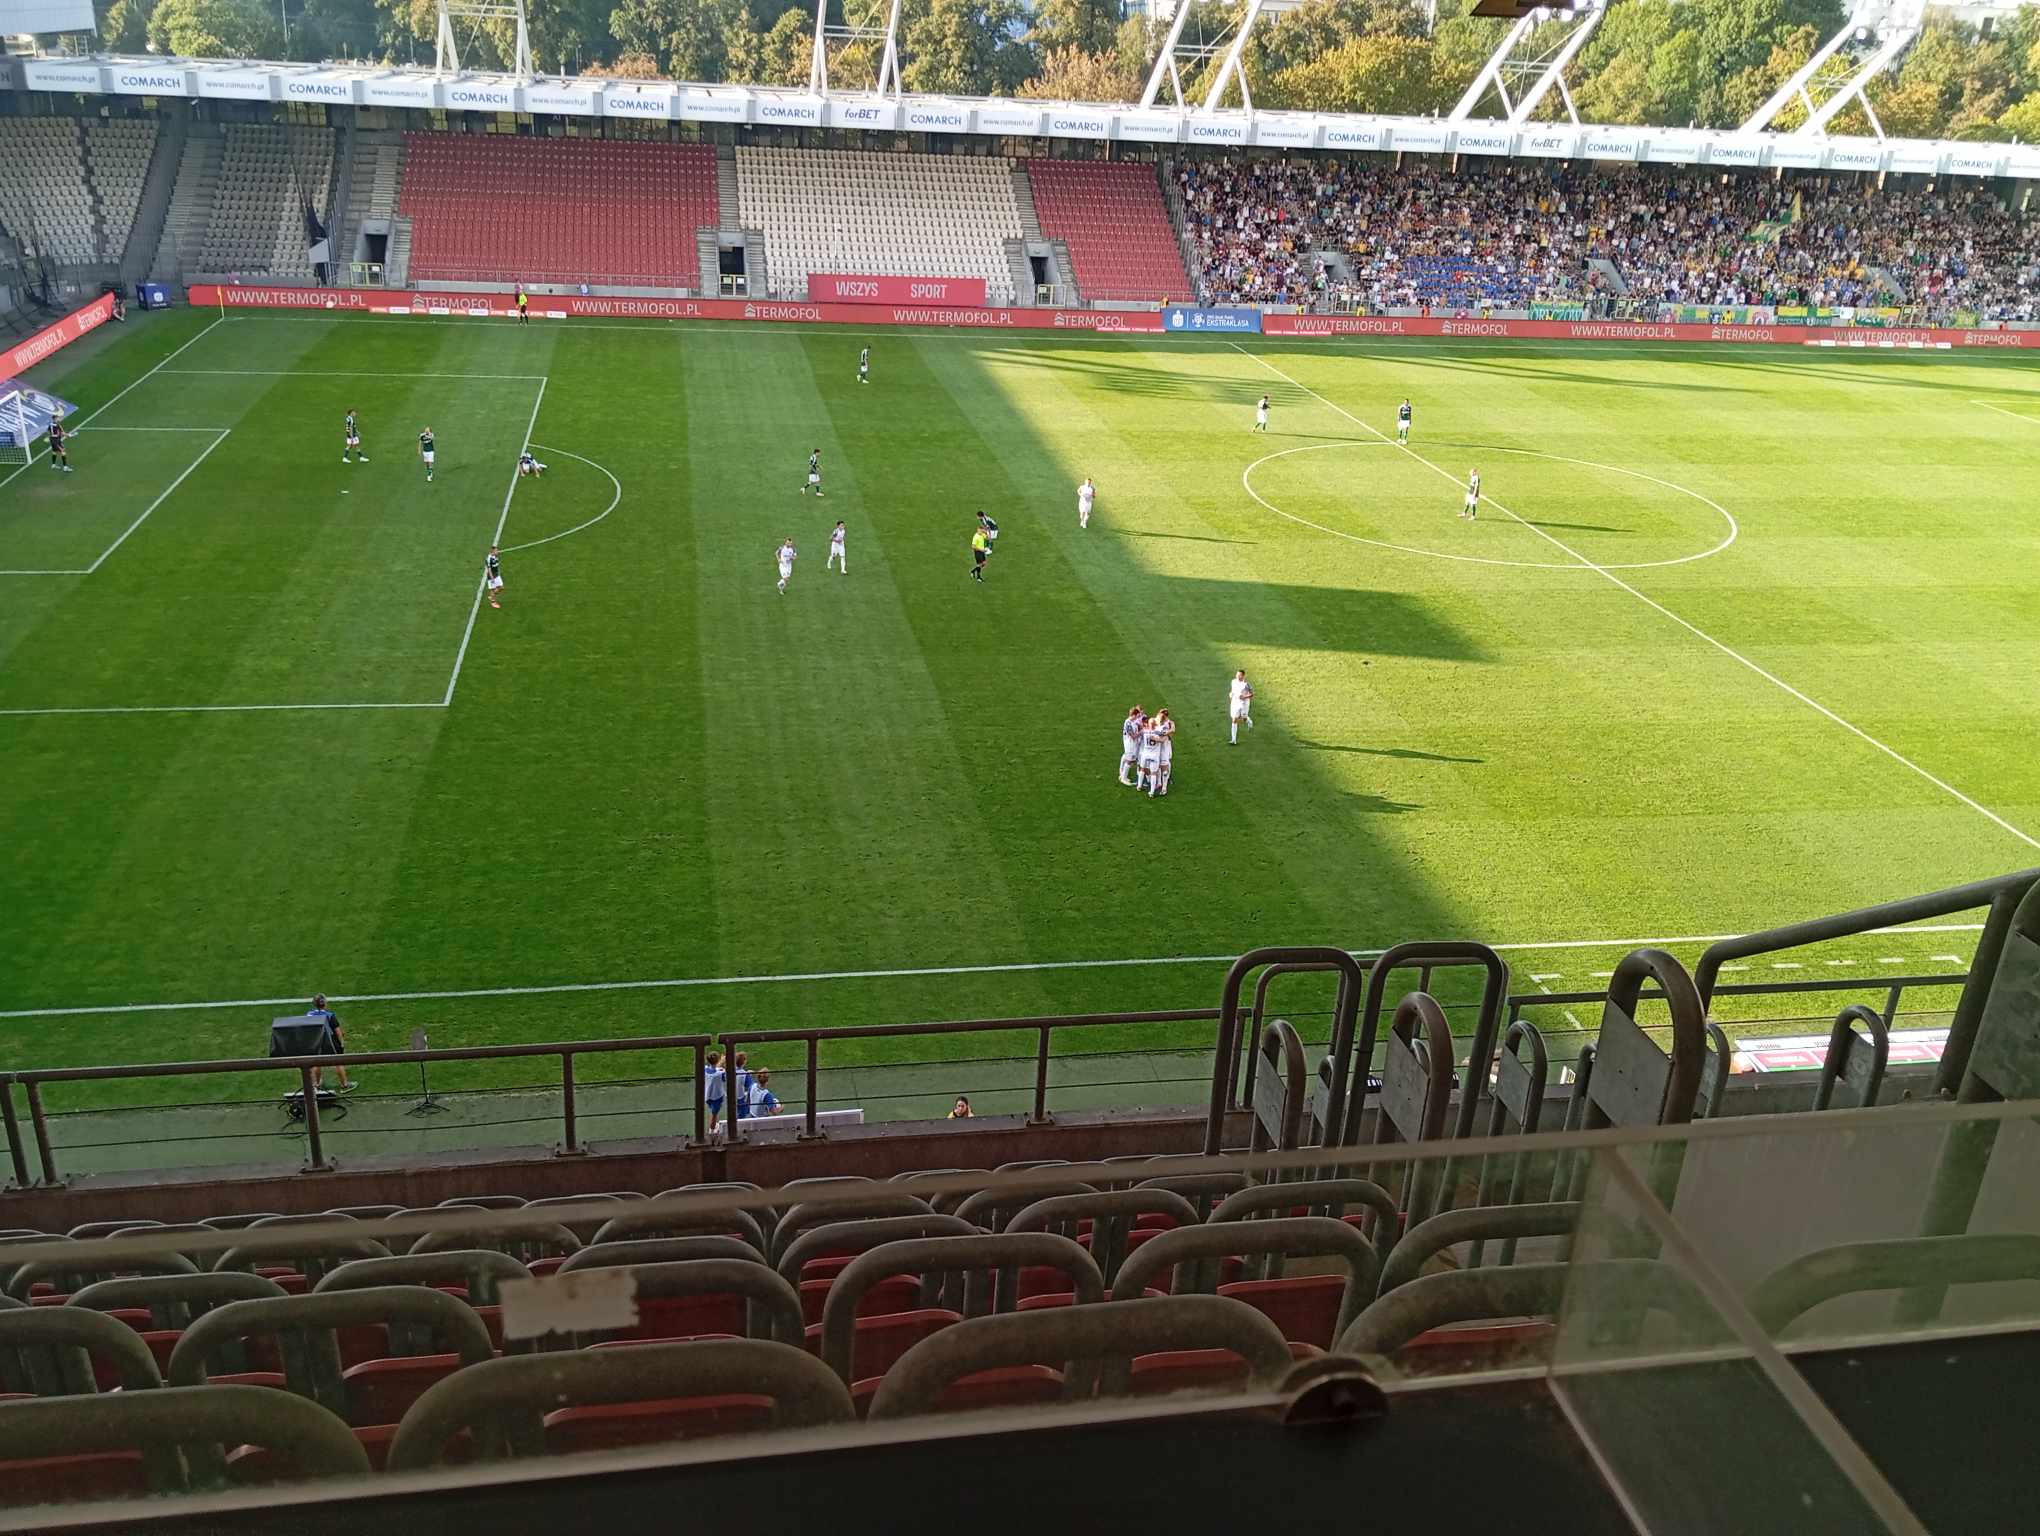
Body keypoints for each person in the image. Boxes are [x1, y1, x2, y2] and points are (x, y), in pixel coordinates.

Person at [306, 993, 354, 1094]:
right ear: (325, 1004)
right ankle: (345, 1085)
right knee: (338, 1062)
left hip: (316, 1042)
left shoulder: (309, 1014)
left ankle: (317, 1084)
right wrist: (341, 1042)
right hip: (330, 1042)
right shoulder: (330, 1015)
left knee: (317, 1062)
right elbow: (338, 1032)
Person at [1138, 709, 1164, 796]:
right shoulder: (1158, 732)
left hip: (1145, 753)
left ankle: (1139, 786)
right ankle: (1152, 792)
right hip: (1154, 755)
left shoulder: (1144, 731)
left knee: (1142, 769)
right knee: (1153, 773)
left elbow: (1142, 729)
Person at [1119, 705, 1146, 787]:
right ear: (1134, 714)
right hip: (1129, 744)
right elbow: (1133, 736)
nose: (1138, 717)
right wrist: (1141, 732)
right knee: (1129, 760)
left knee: (1131, 760)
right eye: (1137, 715)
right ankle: (1123, 778)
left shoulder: (1132, 722)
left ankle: (1123, 776)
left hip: (1132, 744)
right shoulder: (1128, 723)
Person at [1154, 708, 1175, 796]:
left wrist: (1163, 734)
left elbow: (1170, 734)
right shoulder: (1158, 726)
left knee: (1165, 766)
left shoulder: (1167, 725)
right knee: (1159, 765)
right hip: (1159, 749)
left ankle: (1164, 787)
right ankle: (1159, 783)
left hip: (1164, 748)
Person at [704, 1050, 727, 1133]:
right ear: (717, 1061)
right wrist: (723, 1064)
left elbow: (714, 1069)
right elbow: (724, 1078)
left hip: (707, 1096)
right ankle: (712, 1130)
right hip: (717, 1097)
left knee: (714, 1112)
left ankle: (715, 1125)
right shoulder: (720, 1073)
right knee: (714, 1114)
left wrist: (721, 1063)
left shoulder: (705, 1069)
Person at [1229, 670, 1254, 744]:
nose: (1237, 676)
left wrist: (1244, 696)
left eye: (1239, 675)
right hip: (1235, 703)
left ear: (1243, 676)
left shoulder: (1246, 684)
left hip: (1244, 703)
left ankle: (1249, 722)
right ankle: (1233, 740)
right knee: (1234, 719)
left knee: (1244, 718)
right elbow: (1232, 690)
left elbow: (1252, 694)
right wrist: (1230, 694)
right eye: (1237, 675)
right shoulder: (1233, 681)